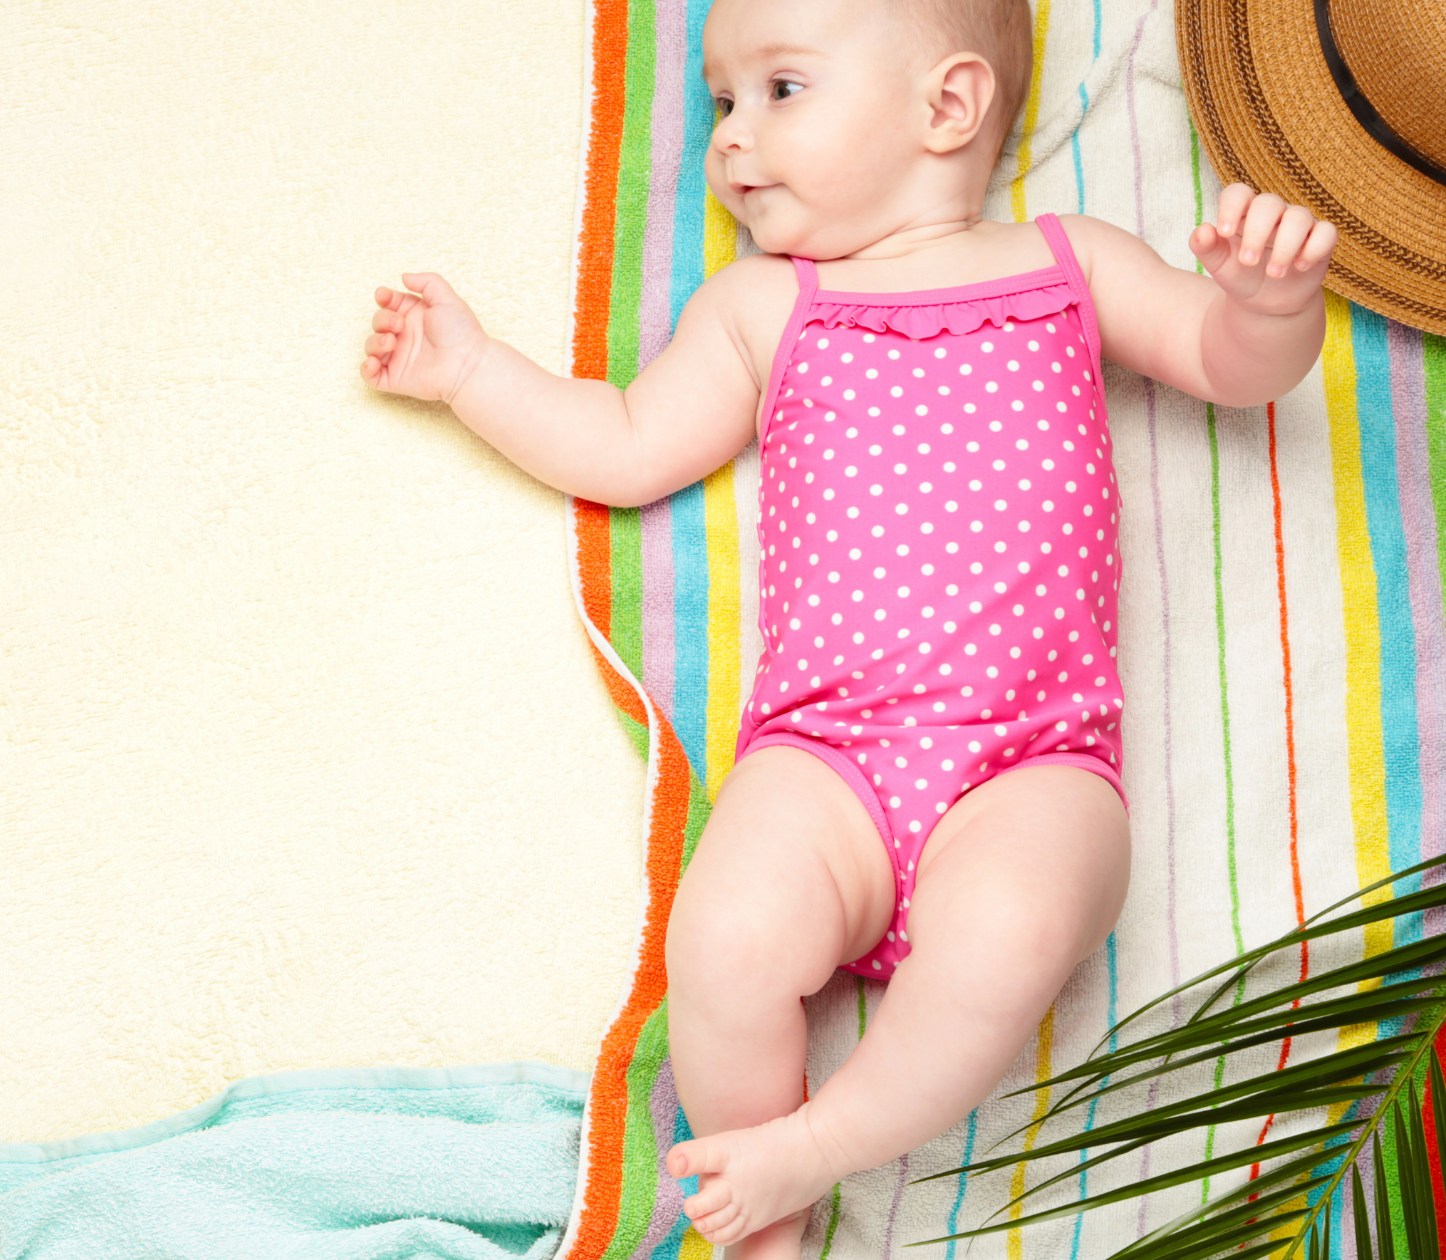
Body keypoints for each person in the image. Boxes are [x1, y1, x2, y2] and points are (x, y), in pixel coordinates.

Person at [356, 0, 1338, 1255]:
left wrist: (1263, 305)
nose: (727, 140)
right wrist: (472, 373)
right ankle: (763, 1234)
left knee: (1019, 923)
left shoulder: (1067, 259)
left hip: (1031, 761)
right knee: (721, 936)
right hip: (824, 758)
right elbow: (621, 444)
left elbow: (1227, 361)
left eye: (779, 90)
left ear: (946, 107)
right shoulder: (764, 306)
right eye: (718, 103)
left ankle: (807, 1152)